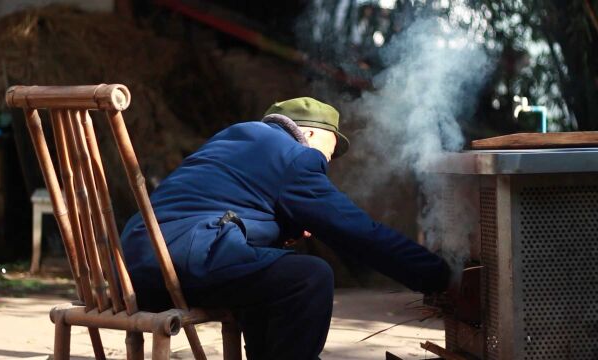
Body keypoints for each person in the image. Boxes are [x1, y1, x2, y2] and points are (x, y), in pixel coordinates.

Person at [121, 97, 451, 359]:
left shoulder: (235, 138)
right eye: (328, 152)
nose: (326, 165)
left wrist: (279, 229)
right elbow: (358, 231)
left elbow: (219, 208)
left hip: (136, 267)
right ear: (307, 134)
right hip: (183, 262)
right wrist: (437, 275)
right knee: (309, 277)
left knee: (272, 277)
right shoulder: (295, 156)